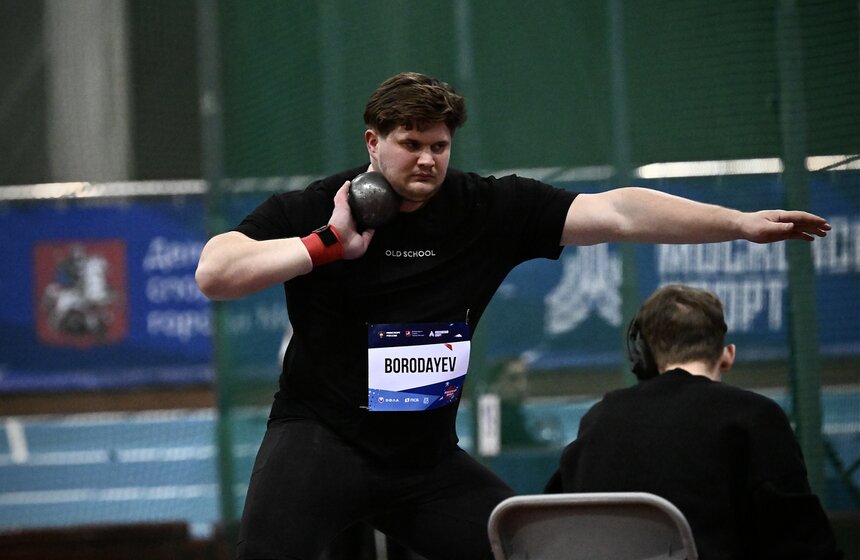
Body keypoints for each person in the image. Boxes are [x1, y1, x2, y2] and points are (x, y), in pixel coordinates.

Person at [195, 71, 830, 560]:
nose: (426, 160)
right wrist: (327, 243)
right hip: (320, 442)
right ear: (373, 143)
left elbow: (620, 212)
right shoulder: (319, 208)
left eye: (439, 146)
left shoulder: (486, 209)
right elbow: (215, 272)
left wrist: (739, 224)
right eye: (410, 144)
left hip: (423, 461)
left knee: (527, 551)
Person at [544, 284, 843, 559]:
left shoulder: (597, 420)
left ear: (644, 358)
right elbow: (805, 545)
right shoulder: (756, 416)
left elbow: (551, 524)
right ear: (727, 356)